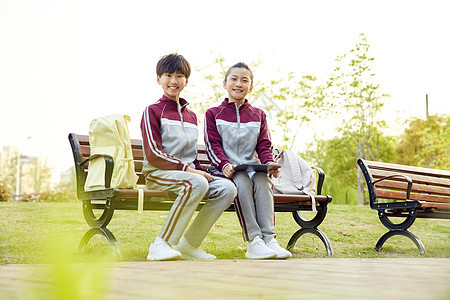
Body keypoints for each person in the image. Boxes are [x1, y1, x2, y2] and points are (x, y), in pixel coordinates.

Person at [141, 53, 237, 261]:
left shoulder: (191, 115)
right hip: (158, 174)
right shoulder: (152, 111)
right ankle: (161, 244)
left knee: (227, 189)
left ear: (186, 81)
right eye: (168, 75)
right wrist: (189, 171)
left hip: (189, 176)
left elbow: (191, 156)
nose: (174, 81)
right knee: (196, 183)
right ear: (159, 79)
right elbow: (153, 153)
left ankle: (189, 245)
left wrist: (201, 171)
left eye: (179, 76)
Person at [204, 62, 292, 259]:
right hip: (224, 170)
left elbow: (264, 144)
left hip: (252, 168)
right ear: (225, 83)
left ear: (251, 87)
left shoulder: (258, 115)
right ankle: (254, 241)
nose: (238, 84)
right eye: (234, 79)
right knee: (242, 180)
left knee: (262, 180)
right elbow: (212, 144)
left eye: (245, 80)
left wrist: (271, 165)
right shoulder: (213, 114)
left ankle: (270, 239)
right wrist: (224, 164)